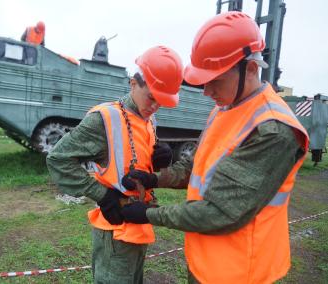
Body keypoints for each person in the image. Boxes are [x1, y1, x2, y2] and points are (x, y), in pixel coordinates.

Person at [120, 11, 309, 284]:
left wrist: (149, 214)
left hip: (240, 271)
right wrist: (155, 178)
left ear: (252, 69)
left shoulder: (273, 130)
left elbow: (221, 213)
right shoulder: (223, 109)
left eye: (215, 81)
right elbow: (197, 167)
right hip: (205, 259)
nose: (206, 92)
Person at [46, 46, 184, 283]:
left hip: (140, 222)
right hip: (116, 228)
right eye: (152, 97)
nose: (155, 106)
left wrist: (159, 159)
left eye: (162, 101)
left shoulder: (149, 119)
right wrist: (101, 194)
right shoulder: (104, 119)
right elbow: (58, 159)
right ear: (133, 84)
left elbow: (131, 159)